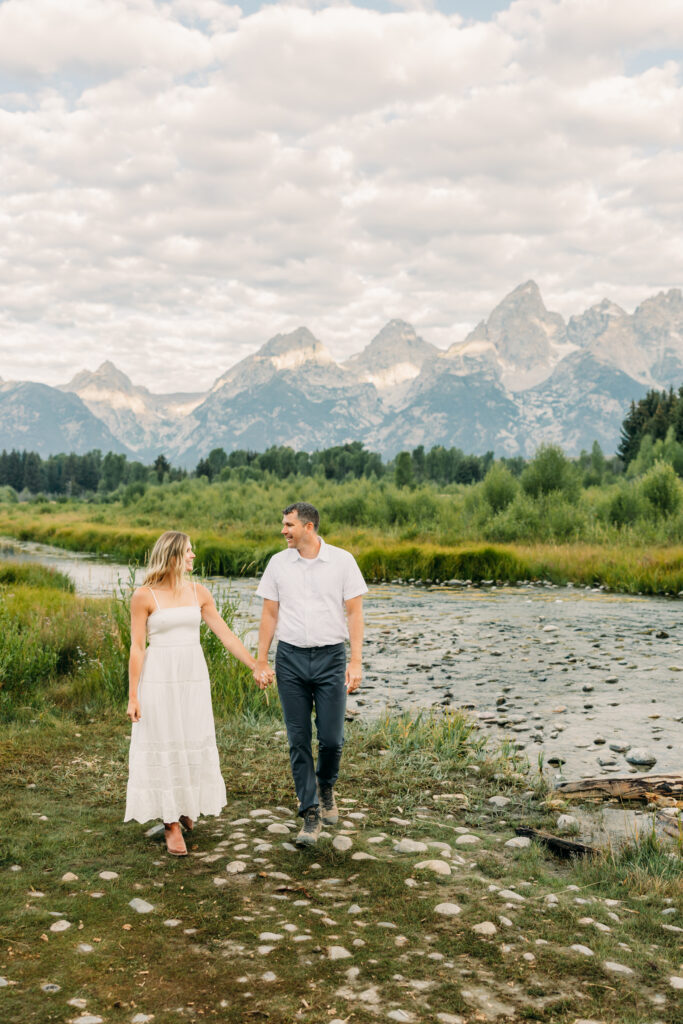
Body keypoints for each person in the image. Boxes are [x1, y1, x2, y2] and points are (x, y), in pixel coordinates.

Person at [125, 530, 272, 856]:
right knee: (163, 738)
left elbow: (226, 636)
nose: (193, 556)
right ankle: (170, 823)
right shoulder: (144, 596)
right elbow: (137, 648)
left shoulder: (199, 592)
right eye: (189, 551)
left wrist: (255, 665)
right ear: (173, 556)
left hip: (192, 677)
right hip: (159, 677)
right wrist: (133, 696)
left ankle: (186, 804)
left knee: (190, 736)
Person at [254, 502, 367, 847]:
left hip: (331, 658)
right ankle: (310, 811)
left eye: (289, 525)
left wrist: (356, 661)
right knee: (298, 738)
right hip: (290, 659)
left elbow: (355, 613)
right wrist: (261, 660)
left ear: (309, 527)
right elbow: (270, 614)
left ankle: (326, 784)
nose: (283, 530)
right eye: (283, 524)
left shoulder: (343, 561)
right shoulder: (278, 563)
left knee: (332, 738)